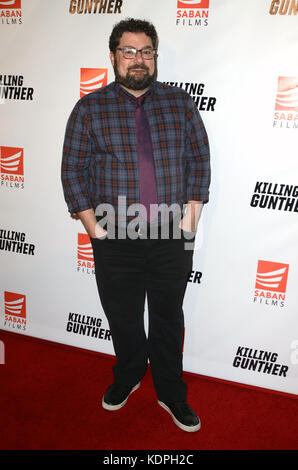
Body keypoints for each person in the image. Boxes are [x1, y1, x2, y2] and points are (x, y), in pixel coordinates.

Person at [61, 17, 210, 433]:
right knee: (123, 315)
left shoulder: (179, 104)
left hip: (170, 234)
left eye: (146, 51)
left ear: (155, 57)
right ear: (113, 57)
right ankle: (127, 376)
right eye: (129, 51)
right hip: (114, 234)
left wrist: (189, 220)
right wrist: (96, 230)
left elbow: (199, 160)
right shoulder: (89, 108)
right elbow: (72, 171)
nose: (138, 59)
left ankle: (170, 392)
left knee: (167, 316)